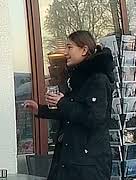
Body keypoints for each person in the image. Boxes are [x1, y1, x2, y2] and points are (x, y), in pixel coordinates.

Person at [24, 30, 114, 180]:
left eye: (69, 47)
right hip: (73, 160)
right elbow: (70, 111)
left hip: (88, 165)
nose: (65, 52)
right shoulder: (78, 79)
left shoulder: (97, 79)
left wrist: (62, 102)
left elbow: (94, 118)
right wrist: (40, 109)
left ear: (84, 50)